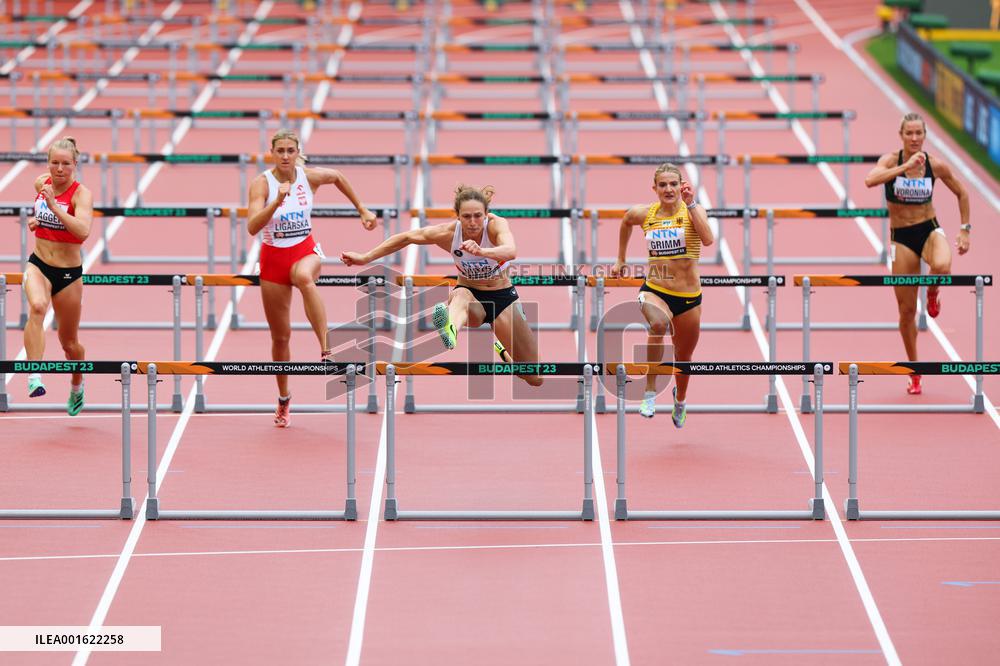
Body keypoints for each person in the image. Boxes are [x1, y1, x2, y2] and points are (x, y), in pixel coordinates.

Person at [341, 184, 544, 387]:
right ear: (457, 216)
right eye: (466, 217)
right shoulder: (448, 234)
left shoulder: (496, 226)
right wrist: (365, 257)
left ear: (486, 214)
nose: (473, 222)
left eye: (477, 216)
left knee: (535, 378)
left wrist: (482, 252)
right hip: (471, 296)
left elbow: (511, 250)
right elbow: (406, 237)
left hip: (503, 299)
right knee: (461, 296)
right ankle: (450, 327)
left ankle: (504, 351)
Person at [247, 129, 377, 427]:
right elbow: (253, 227)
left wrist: (362, 209)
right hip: (273, 259)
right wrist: (274, 204)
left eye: (290, 150)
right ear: (272, 153)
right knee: (281, 338)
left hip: (305, 250)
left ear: (297, 152)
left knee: (305, 277)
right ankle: (283, 399)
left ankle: (327, 349)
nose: (284, 156)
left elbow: (338, 177)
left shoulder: (309, 177)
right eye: (279, 151)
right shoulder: (261, 184)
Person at [865, 112, 970, 395]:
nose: (914, 138)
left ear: (924, 136)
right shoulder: (891, 161)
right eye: (909, 133)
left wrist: (965, 229)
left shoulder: (934, 165)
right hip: (902, 238)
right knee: (906, 311)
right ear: (901, 135)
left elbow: (962, 193)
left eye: (918, 134)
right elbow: (870, 180)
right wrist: (905, 167)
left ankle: (933, 291)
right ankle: (914, 371)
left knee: (943, 265)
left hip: (928, 229)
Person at [610, 163, 714, 427]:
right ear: (654, 188)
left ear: (682, 186)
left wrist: (691, 205)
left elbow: (708, 239)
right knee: (657, 324)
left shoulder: (693, 211)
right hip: (656, 289)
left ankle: (680, 400)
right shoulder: (645, 213)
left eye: (673, 184)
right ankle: (649, 391)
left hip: (689, 298)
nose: (669, 189)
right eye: (663, 185)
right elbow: (625, 221)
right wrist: (620, 259)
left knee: (684, 356)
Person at [24, 136, 93, 415]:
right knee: (37, 307)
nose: (60, 169)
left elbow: (83, 231)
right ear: (48, 163)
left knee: (69, 343)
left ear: (75, 165)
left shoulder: (81, 194)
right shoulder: (42, 183)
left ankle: (77, 385)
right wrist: (38, 219)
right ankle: (34, 377)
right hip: (39, 263)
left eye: (66, 164)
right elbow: (44, 209)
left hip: (68, 274)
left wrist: (52, 208)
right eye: (55, 163)